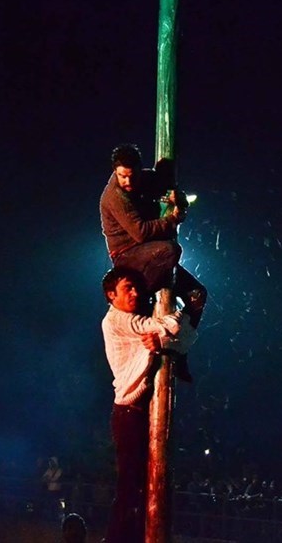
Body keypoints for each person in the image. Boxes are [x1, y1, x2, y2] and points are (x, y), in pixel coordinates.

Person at [100, 267, 197, 543]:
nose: (134, 293)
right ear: (111, 295)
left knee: (144, 485)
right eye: (127, 288)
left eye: (135, 288)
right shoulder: (116, 320)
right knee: (130, 486)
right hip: (128, 413)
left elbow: (184, 339)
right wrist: (184, 310)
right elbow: (170, 327)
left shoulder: (134, 318)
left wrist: (166, 334)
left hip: (139, 412)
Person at [99, 143, 207, 327]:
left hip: (151, 252)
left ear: (139, 170)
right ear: (115, 172)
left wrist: (176, 198)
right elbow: (140, 232)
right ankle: (141, 303)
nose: (127, 182)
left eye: (131, 176)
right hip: (127, 256)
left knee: (197, 294)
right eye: (122, 176)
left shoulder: (144, 179)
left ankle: (179, 336)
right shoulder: (114, 197)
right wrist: (172, 220)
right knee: (169, 250)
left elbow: (165, 185)